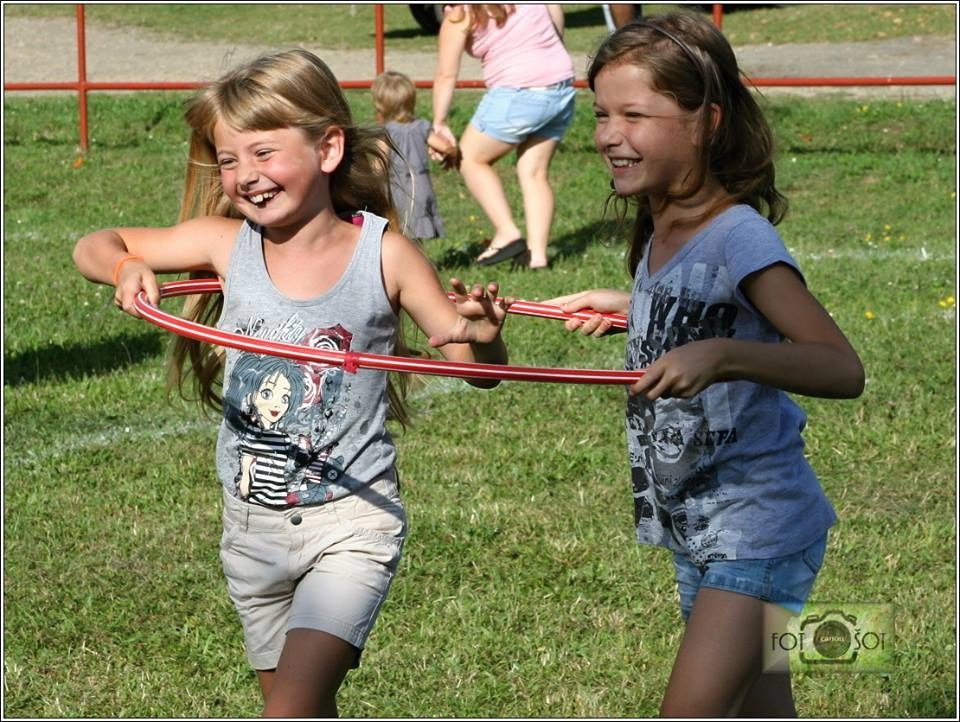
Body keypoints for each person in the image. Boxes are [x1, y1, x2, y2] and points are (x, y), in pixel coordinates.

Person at [72, 48, 514, 718]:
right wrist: (124, 266)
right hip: (251, 530)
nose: (244, 176)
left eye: (264, 153)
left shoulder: (386, 255)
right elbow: (94, 243)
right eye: (229, 159)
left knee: (290, 710)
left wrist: (483, 337)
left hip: (350, 524)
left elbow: (473, 369)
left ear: (328, 148)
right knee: (298, 706)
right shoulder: (225, 244)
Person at [547, 13, 865, 717]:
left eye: (635, 115)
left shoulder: (739, 236)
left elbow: (841, 367)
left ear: (706, 123)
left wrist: (720, 356)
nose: (608, 135)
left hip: (757, 531)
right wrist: (632, 307)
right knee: (760, 707)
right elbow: (706, 310)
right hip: (698, 529)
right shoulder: (662, 222)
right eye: (601, 114)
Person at [431, 4, 576, 269]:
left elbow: (446, 74)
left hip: (517, 92)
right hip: (561, 88)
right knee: (534, 172)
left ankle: (507, 232)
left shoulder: (460, 13)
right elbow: (554, 11)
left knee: (470, 158)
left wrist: (439, 123)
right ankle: (537, 257)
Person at [371, 69, 457, 241]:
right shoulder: (421, 126)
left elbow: (380, 165)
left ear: (380, 104)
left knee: (400, 235)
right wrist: (453, 154)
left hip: (398, 189)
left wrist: (368, 180)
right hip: (421, 186)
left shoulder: (386, 132)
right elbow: (446, 147)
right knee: (417, 236)